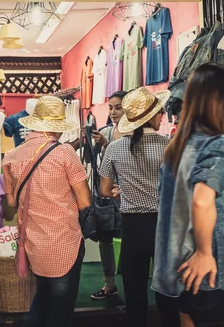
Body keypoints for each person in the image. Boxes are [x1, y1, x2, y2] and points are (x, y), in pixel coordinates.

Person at [152, 63, 224, 327]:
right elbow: (200, 199)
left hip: (179, 276)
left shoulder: (178, 147)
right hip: (215, 276)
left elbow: (182, 199)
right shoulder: (220, 143)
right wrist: (204, 252)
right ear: (221, 102)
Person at [2, 96, 92, 327]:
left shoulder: (11, 157)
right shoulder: (64, 153)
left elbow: (11, 202)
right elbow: (84, 202)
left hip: (33, 241)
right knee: (61, 308)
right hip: (64, 241)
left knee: (43, 295)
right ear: (56, 127)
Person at [99, 87, 179, 327]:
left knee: (134, 289)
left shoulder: (114, 148)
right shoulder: (169, 145)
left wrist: (122, 190)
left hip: (132, 224)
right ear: (154, 116)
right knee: (166, 288)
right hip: (163, 223)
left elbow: (104, 190)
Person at [89, 90, 126, 300]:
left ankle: (132, 284)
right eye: (110, 107)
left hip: (127, 196)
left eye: (118, 107)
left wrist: (105, 145)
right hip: (107, 194)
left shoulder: (134, 133)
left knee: (129, 241)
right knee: (105, 240)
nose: (113, 111)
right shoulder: (107, 131)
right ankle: (109, 284)